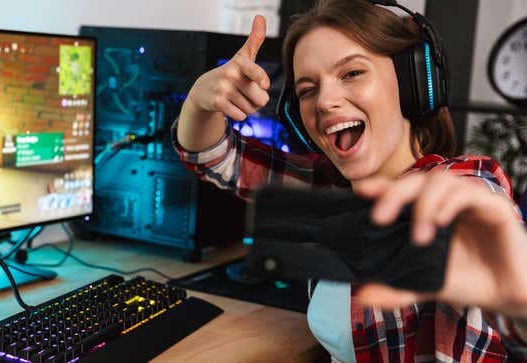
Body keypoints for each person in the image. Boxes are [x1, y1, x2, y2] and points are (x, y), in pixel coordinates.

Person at [172, 0, 527, 361]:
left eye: (352, 73)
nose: (324, 101)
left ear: (413, 81)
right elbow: (212, 155)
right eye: (308, 89)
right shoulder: (329, 192)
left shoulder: (463, 187)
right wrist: (202, 100)